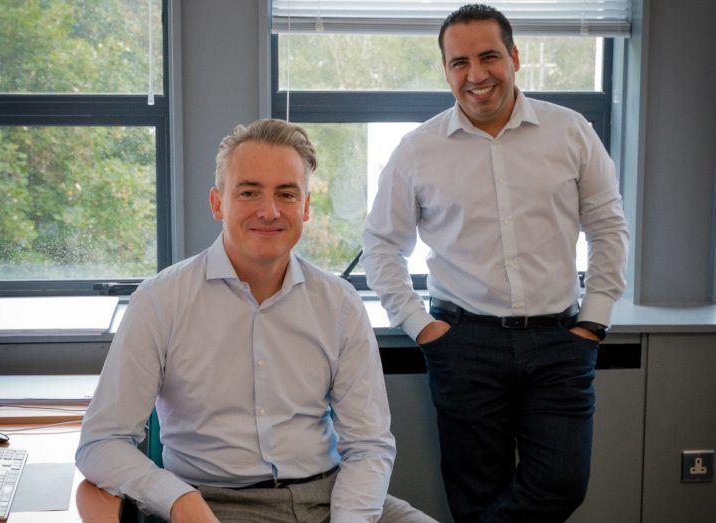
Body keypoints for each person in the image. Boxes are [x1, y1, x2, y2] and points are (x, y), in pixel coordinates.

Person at [77, 119, 435, 523]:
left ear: (305, 207)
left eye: (286, 194)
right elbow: (101, 443)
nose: (270, 211)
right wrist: (178, 500)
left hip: (335, 498)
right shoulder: (160, 302)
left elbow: (369, 445)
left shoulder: (340, 303)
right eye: (249, 192)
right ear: (217, 203)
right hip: (211, 504)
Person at [362, 4, 629, 522]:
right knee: (475, 493)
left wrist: (593, 320)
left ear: (514, 57)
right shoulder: (418, 150)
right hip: (464, 347)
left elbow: (607, 227)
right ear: (446, 70)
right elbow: (381, 246)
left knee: (562, 483)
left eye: (489, 56)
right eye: (459, 62)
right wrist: (421, 327)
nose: (476, 74)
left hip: (559, 342)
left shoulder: (570, 133)